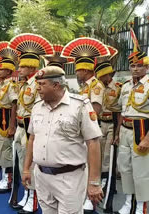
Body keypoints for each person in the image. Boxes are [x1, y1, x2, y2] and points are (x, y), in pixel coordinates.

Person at [22, 66, 103, 214]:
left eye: (42, 84)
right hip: (42, 176)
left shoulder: (79, 106)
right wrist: (27, 168)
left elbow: (93, 143)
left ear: (56, 85)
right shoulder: (37, 107)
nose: (37, 89)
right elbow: (32, 139)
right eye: (37, 84)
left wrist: (94, 182)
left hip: (70, 178)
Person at [61, 37, 109, 213]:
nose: (77, 73)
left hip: (91, 129)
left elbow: (95, 110)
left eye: (79, 70)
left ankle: (92, 199)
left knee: (91, 163)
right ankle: (84, 195)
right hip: (83, 130)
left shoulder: (95, 86)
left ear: (86, 69)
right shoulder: (84, 86)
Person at [8, 34, 55, 214]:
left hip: (31, 129)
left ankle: (34, 199)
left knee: (32, 165)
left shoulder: (38, 85)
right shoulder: (24, 85)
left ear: (31, 66)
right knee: (22, 165)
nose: (18, 69)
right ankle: (27, 194)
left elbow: (40, 110)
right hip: (21, 127)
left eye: (21, 66)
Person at [115, 29, 149, 214]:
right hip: (126, 130)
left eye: (139, 65)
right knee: (125, 168)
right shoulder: (126, 86)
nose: (135, 69)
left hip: (142, 130)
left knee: (141, 171)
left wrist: (147, 139)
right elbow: (121, 110)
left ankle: (142, 206)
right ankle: (129, 201)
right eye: (132, 66)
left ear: (146, 67)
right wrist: (117, 132)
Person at [94, 46, 121, 213]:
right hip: (100, 124)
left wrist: (117, 133)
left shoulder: (117, 88)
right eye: (100, 75)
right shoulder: (99, 87)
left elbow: (120, 113)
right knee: (100, 156)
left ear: (109, 74)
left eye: (104, 75)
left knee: (108, 159)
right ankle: (103, 182)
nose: (102, 78)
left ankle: (108, 187)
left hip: (112, 124)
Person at [0, 42, 19, 194]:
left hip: (6, 119)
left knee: (6, 150)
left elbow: (14, 104)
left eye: (1, 68)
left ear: (8, 71)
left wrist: (12, 125)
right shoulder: (1, 85)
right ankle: (3, 176)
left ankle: (8, 180)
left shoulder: (11, 86)